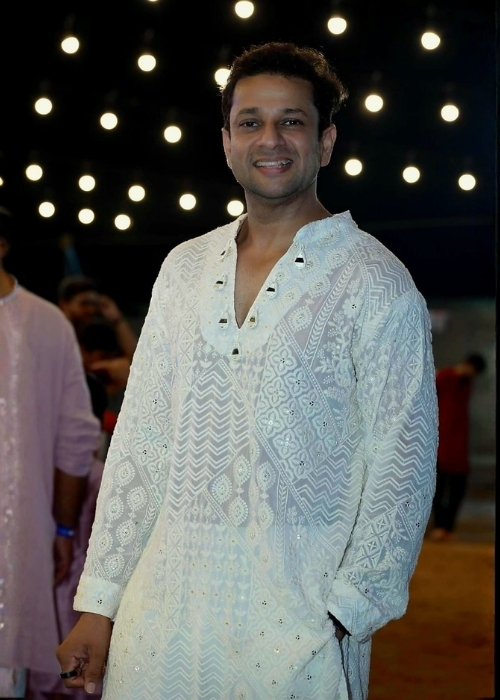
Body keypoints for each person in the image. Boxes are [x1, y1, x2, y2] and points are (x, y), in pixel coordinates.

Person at [56, 42, 438, 700]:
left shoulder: (377, 282)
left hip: (297, 634)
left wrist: (347, 613)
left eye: (292, 121)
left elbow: (402, 463)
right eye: (251, 122)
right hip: (159, 625)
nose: (271, 139)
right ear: (228, 143)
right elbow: (142, 441)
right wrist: (99, 604)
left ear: (326, 142)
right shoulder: (183, 269)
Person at [0, 207, 101, 699]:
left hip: (21, 542)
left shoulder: (46, 323)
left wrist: (62, 527)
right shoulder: (49, 322)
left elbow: (75, 438)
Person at [430, 353, 487, 542]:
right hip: (441, 443)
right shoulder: (444, 378)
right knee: (439, 488)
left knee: (457, 487)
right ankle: (440, 526)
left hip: (457, 445)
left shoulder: (465, 384)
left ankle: (447, 527)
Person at [57, 274, 138, 362]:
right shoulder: (55, 334)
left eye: (94, 304)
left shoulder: (97, 333)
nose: (91, 310)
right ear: (64, 305)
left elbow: (138, 360)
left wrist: (117, 319)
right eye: (85, 303)